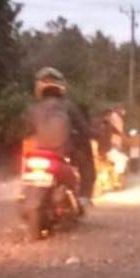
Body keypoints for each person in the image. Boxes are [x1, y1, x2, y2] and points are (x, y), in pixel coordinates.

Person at [28, 67, 94, 203]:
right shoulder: (68, 106)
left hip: (38, 152)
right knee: (85, 161)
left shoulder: (34, 108)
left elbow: (25, 129)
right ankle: (83, 196)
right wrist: (94, 134)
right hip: (62, 153)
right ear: (61, 88)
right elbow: (84, 129)